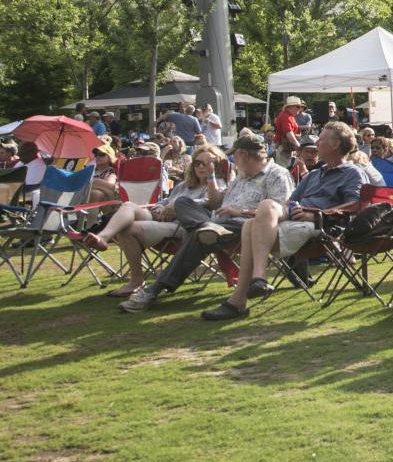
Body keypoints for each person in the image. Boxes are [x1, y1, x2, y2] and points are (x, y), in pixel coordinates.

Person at [200, 121, 366, 321]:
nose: (316, 144)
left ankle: (239, 300)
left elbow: (354, 206)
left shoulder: (352, 173)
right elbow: (288, 203)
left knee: (250, 226)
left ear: (335, 144)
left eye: (321, 139)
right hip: (294, 217)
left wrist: (316, 214)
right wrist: (274, 212)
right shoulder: (314, 174)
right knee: (264, 209)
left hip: (320, 224)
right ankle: (257, 280)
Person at [121, 136, 293, 312]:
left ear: (244, 155)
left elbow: (278, 212)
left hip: (243, 225)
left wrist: (239, 211)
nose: (232, 160)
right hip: (215, 221)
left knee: (199, 237)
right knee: (183, 202)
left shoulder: (277, 174)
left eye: (234, 155)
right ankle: (207, 228)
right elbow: (216, 203)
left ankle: (154, 290)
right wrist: (211, 175)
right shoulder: (241, 176)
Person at [80, 146, 226, 296]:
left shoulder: (218, 184)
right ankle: (103, 238)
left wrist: (176, 207)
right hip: (161, 219)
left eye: (207, 163)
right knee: (128, 205)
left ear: (216, 164)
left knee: (127, 229)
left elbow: (211, 203)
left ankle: (136, 281)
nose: (201, 167)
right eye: (197, 163)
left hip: (182, 227)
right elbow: (163, 201)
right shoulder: (185, 185)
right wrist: (159, 209)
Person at [273, 96, 304, 168]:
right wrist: (298, 146)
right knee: (284, 170)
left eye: (300, 107)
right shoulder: (285, 116)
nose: (300, 109)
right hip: (283, 148)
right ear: (290, 107)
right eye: (298, 107)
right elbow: (289, 133)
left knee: (288, 169)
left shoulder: (289, 116)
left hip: (287, 148)